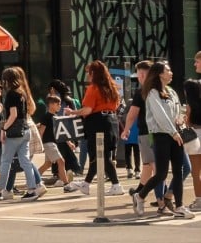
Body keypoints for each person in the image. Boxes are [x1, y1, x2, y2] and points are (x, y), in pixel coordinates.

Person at [131, 61, 194, 218]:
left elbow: (178, 111)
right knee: (162, 174)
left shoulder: (171, 92)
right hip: (161, 136)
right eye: (168, 70)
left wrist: (180, 120)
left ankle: (179, 206)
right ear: (160, 73)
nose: (171, 72)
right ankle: (139, 195)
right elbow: (161, 116)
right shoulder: (152, 93)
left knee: (178, 172)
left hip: (175, 134)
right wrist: (173, 132)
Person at [67, 60, 121, 196]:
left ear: (93, 73)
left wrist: (73, 112)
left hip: (98, 122)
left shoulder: (93, 88)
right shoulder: (112, 87)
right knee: (103, 155)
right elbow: (116, 106)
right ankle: (87, 184)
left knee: (100, 155)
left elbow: (87, 110)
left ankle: (115, 185)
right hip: (112, 121)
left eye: (88, 72)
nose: (87, 75)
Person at [0, 67, 46, 201]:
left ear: (7, 80)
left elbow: (13, 114)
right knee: (25, 161)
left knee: (5, 161)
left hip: (14, 133)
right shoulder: (21, 93)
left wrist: (4, 128)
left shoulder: (11, 94)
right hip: (25, 130)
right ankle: (32, 189)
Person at [119, 61, 155, 193]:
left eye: (140, 74)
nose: (139, 77)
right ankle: (140, 190)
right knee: (147, 164)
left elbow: (132, 114)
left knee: (153, 164)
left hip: (147, 133)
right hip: (158, 132)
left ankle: (162, 195)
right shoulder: (161, 90)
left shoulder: (142, 92)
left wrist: (126, 129)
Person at [37, 96, 71, 186]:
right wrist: (40, 144)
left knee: (47, 164)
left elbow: (61, 132)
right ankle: (66, 184)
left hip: (52, 143)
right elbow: (41, 131)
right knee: (61, 161)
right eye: (58, 104)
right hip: (48, 143)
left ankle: (33, 179)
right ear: (51, 105)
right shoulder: (46, 117)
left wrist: (69, 143)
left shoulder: (56, 117)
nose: (60, 106)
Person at [182, 78, 201, 212]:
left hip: (194, 136)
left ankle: (199, 200)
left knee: (196, 172)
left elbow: (187, 123)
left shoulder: (189, 105)